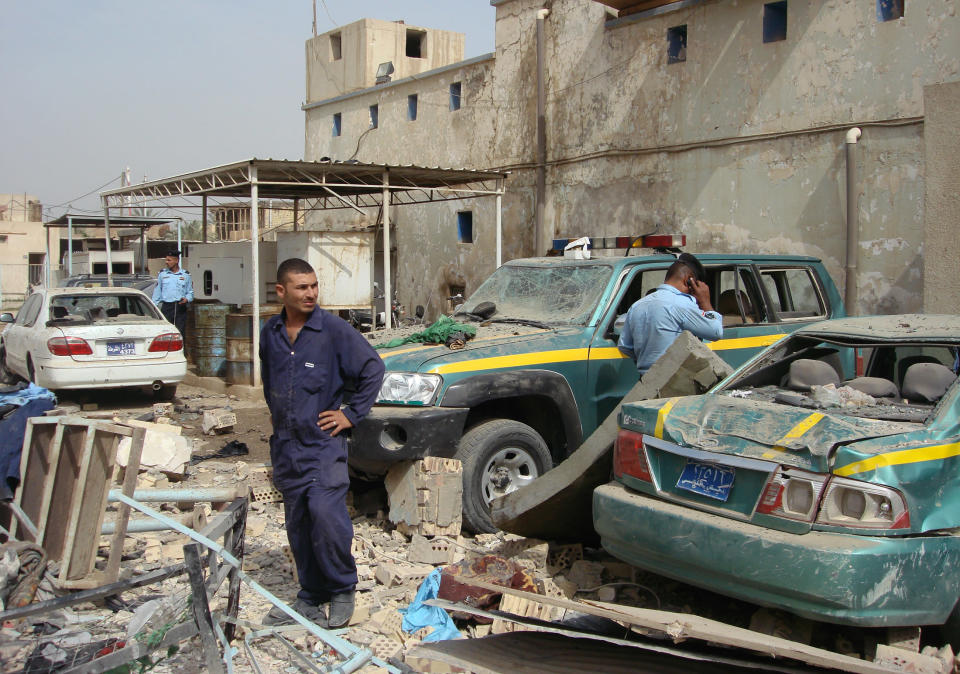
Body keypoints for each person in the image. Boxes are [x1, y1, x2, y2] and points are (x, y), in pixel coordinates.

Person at [259, 258, 385, 628]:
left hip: (323, 444)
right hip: (286, 446)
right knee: (298, 521)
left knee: (327, 516)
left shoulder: (332, 330)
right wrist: (278, 416)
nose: (311, 293)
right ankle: (310, 595)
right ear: (281, 291)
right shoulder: (271, 332)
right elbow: (270, 379)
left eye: (314, 285)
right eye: (302, 287)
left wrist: (350, 414)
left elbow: (372, 369)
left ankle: (342, 588)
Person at [618, 252, 723, 376]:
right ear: (689, 280)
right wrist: (705, 301)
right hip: (674, 380)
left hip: (645, 381)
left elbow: (625, 346)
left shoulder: (637, 305)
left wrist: (649, 361)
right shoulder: (682, 304)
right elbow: (716, 332)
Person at [152, 250, 193, 337]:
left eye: (169, 260)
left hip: (180, 306)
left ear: (176, 261)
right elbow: (157, 292)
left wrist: (187, 299)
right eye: (166, 260)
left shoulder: (185, 275)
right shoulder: (162, 274)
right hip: (167, 306)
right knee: (165, 331)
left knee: (180, 332)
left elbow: (190, 292)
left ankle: (180, 350)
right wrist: (154, 307)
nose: (166, 262)